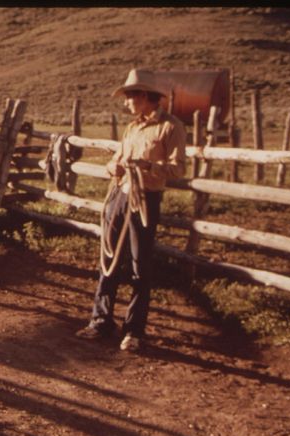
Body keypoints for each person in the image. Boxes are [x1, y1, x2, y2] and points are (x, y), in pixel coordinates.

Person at [75, 69, 187, 352]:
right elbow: (116, 159)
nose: (126, 103)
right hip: (119, 195)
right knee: (109, 257)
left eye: (130, 97)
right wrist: (114, 167)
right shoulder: (132, 128)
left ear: (145, 97)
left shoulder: (171, 127)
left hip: (145, 199)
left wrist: (149, 166)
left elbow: (178, 168)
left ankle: (134, 330)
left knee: (140, 264)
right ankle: (100, 321)